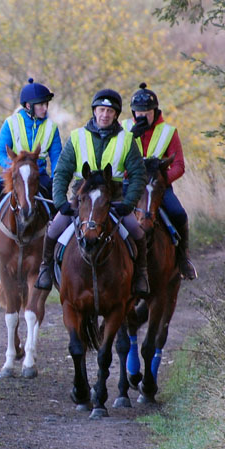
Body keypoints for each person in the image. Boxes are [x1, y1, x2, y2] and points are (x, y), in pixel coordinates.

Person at [35, 88, 150, 296]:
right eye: (101, 110)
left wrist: (129, 203)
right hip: (81, 201)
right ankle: (45, 269)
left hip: (113, 201)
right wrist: (60, 201)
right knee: (53, 231)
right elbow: (61, 171)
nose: (104, 114)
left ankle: (141, 274)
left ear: (116, 115)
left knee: (137, 233)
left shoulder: (126, 140)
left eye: (109, 111)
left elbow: (138, 175)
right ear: (94, 111)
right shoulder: (77, 137)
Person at [0, 78, 62, 255]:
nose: (45, 108)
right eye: (40, 105)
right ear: (27, 105)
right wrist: (12, 167)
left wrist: (56, 178)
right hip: (14, 173)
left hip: (39, 174)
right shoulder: (11, 123)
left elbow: (57, 158)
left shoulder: (52, 127)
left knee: (58, 203)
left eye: (46, 104)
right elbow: (0, 152)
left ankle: (57, 247)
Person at [122, 83, 198, 279]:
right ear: (133, 112)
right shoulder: (123, 129)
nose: (142, 116)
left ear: (155, 111)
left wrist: (161, 182)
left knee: (178, 213)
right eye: (138, 112)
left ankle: (183, 258)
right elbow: (114, 159)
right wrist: (130, 138)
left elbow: (179, 165)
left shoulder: (168, 132)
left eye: (146, 112)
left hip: (157, 187)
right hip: (129, 185)